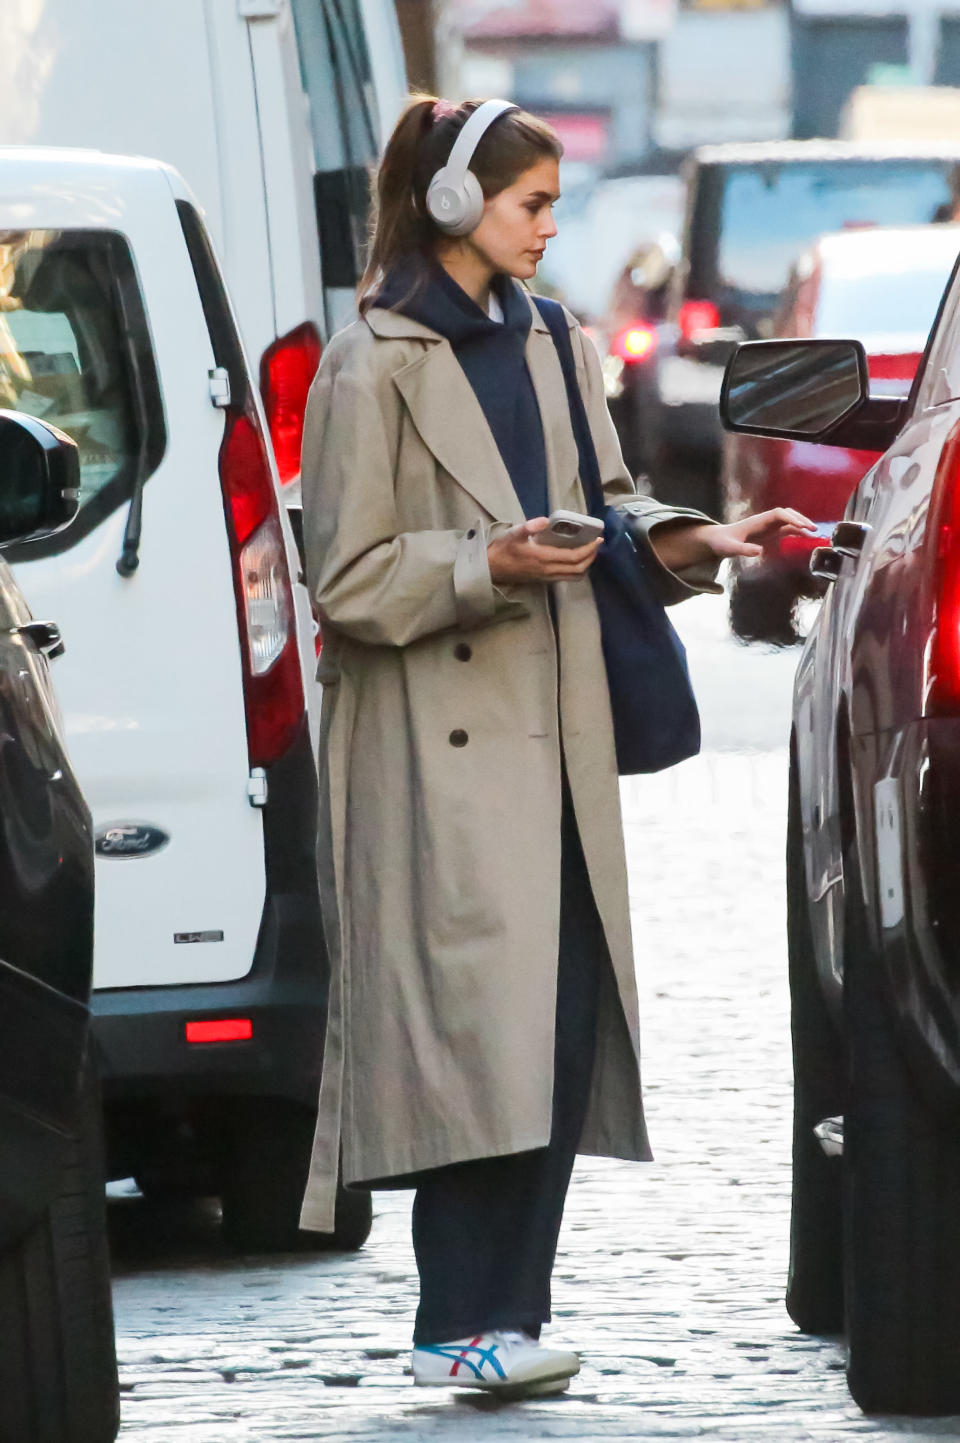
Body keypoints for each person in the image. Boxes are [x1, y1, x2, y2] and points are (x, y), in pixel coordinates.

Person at [297, 94, 813, 1398]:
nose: (548, 229)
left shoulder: (550, 337)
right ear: (459, 204)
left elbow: (611, 505)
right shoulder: (374, 359)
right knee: (479, 1032)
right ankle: (459, 1318)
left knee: (558, 1027)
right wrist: (488, 563)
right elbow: (346, 576)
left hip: (557, 740)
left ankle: (504, 1313)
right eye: (533, 204)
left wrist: (695, 541)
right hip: (439, 753)